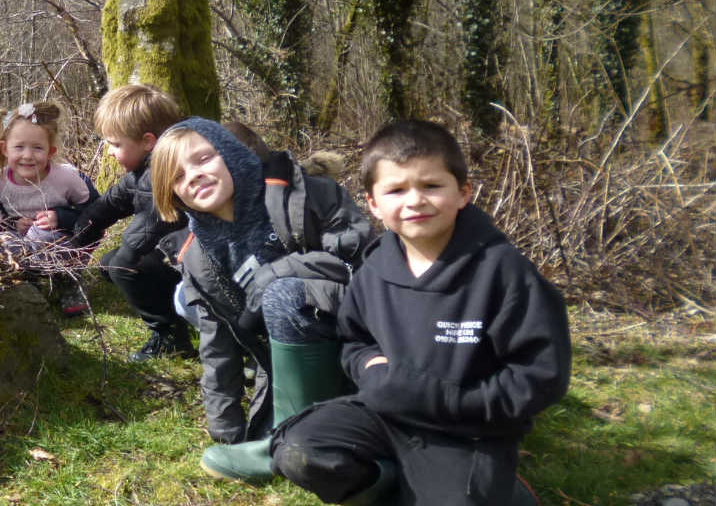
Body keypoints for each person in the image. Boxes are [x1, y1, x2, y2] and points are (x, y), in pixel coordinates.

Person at [268, 120, 571, 505]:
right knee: (299, 451)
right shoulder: (374, 268)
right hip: (385, 414)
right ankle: (393, 485)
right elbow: (354, 340)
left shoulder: (504, 272)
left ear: (463, 192)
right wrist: (371, 371)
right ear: (373, 204)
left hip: (467, 430)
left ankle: (504, 492)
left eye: (431, 186)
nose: (414, 201)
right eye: (396, 189)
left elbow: (540, 376)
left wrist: (457, 404)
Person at [148, 117, 370, 480]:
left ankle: (291, 441)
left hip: (353, 336)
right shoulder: (196, 254)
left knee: (281, 292)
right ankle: (291, 435)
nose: (194, 176)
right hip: (284, 364)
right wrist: (226, 433)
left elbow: (355, 263)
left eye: (204, 159)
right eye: (177, 176)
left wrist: (277, 273)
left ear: (232, 153)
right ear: (172, 193)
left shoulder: (304, 194)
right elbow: (215, 346)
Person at [67, 84, 191, 362]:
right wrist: (76, 241)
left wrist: (125, 258)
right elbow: (109, 205)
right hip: (167, 253)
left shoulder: (169, 174)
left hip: (188, 261)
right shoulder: (140, 174)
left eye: (115, 144)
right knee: (109, 264)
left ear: (148, 141)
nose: (109, 152)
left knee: (121, 264)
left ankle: (168, 331)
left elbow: (146, 228)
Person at [0, 101, 97, 316]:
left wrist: (61, 218)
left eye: (37, 148)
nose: (28, 155)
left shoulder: (66, 178)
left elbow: (95, 213)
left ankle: (70, 282)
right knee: (2, 245)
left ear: (50, 151)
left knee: (43, 236)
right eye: (19, 147)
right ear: (4, 148)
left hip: (63, 240)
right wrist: (9, 224)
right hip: (21, 238)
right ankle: (27, 283)